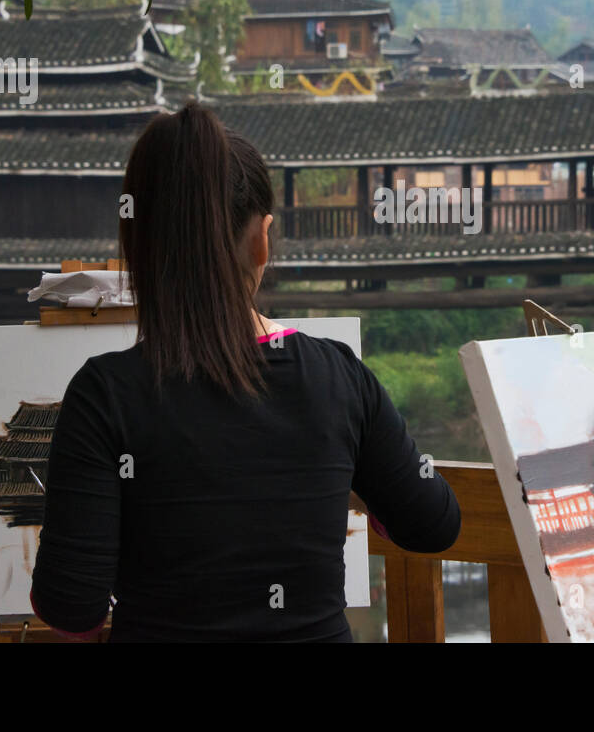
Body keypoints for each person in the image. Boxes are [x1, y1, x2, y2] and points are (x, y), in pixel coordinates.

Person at [30, 101, 460, 641]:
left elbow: (72, 605)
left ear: (138, 242)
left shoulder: (104, 395)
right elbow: (434, 524)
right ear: (262, 237)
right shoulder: (338, 377)